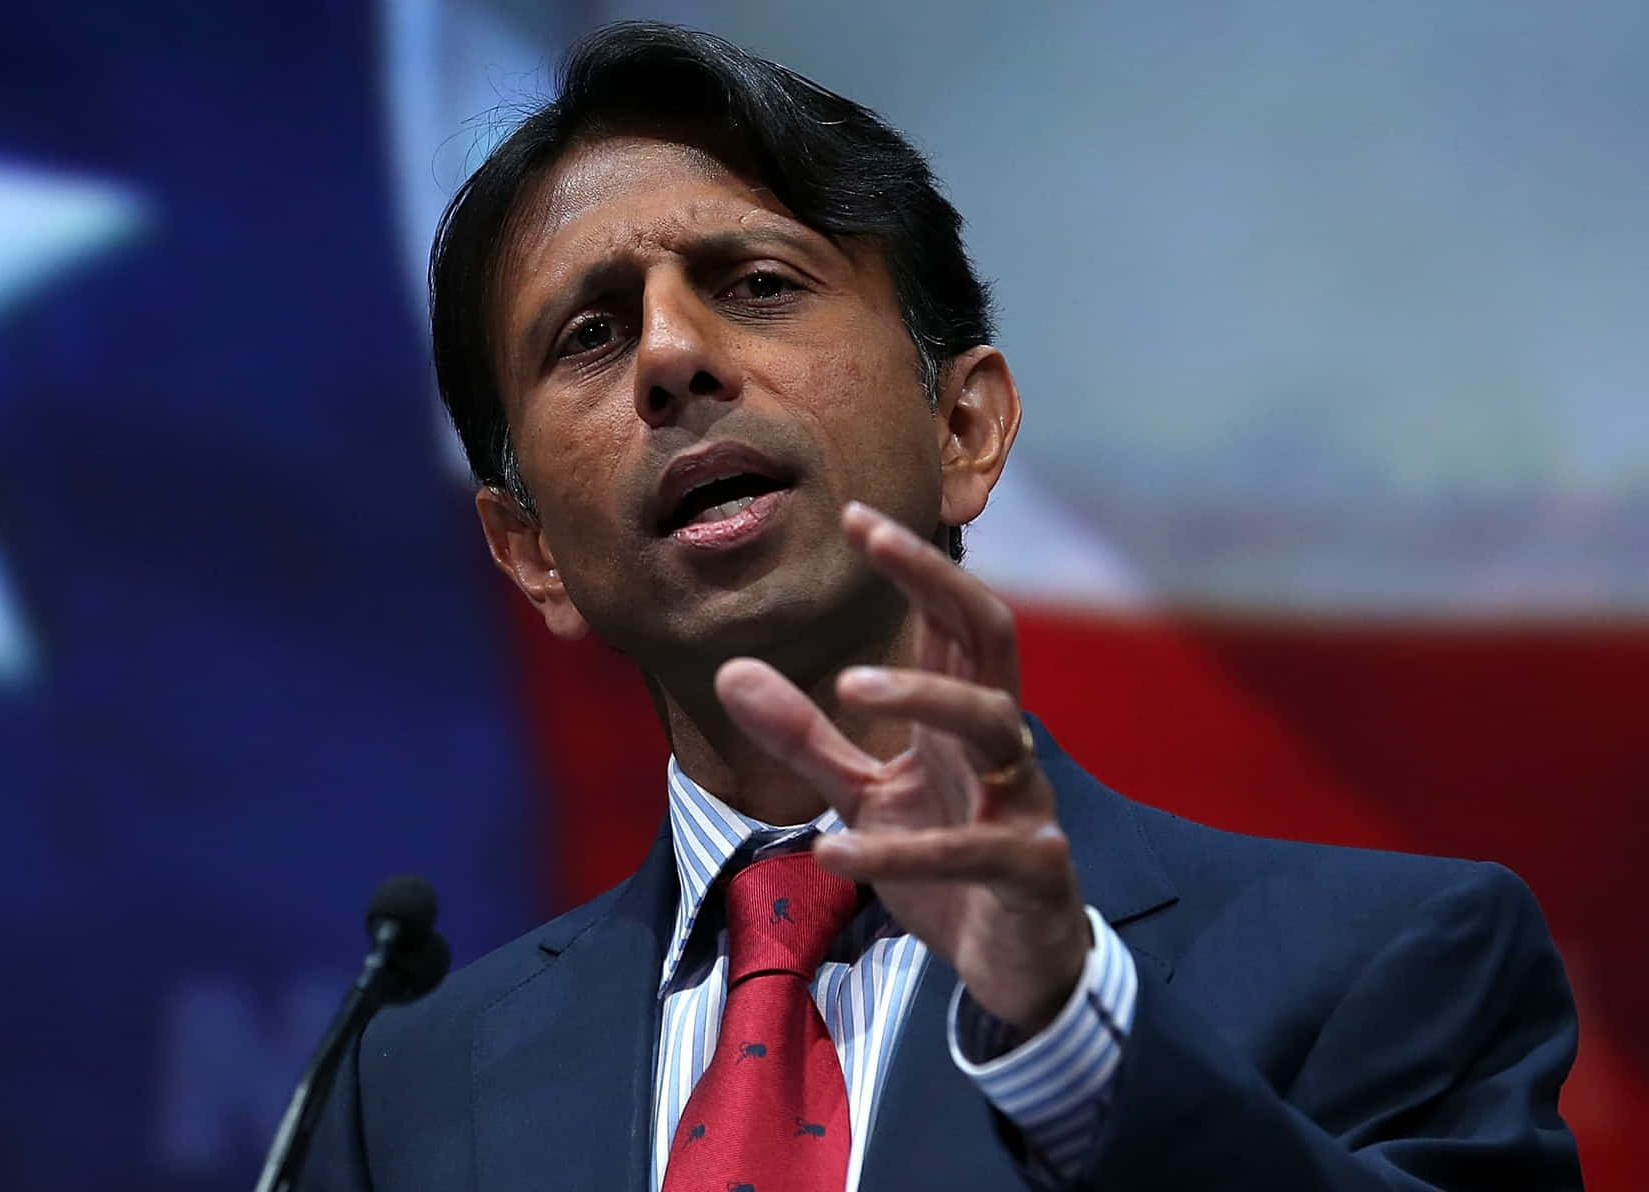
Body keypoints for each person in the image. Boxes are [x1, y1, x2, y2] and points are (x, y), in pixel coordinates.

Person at [305, 21, 1580, 1191]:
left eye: (754, 282)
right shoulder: (408, 1091)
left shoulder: (1393, 963)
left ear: (964, 423)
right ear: (529, 552)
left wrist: (1069, 1035)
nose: (668, 355)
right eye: (588, 332)